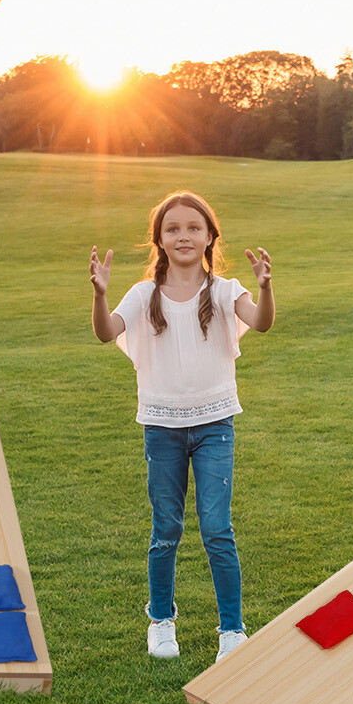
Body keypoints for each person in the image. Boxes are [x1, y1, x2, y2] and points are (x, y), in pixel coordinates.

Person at [89, 192, 275, 662]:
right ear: (160, 240)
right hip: (161, 427)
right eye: (173, 228)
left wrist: (267, 288)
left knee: (217, 529)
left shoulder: (226, 290)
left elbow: (262, 322)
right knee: (166, 529)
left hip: (215, 425)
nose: (184, 235)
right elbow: (106, 332)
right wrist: (100, 296)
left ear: (210, 236)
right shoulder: (142, 295)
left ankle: (231, 630)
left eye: (194, 227)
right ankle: (161, 620)